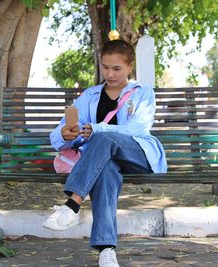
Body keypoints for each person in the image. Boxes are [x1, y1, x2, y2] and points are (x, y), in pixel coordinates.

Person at [43, 39, 167, 267]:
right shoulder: (90, 95)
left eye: (117, 68)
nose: (110, 74)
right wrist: (67, 133)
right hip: (103, 159)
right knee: (107, 170)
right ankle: (106, 250)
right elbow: (56, 136)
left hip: (137, 154)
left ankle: (72, 204)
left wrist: (98, 129)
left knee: (103, 138)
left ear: (130, 67)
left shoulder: (142, 93)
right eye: (105, 67)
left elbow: (136, 129)